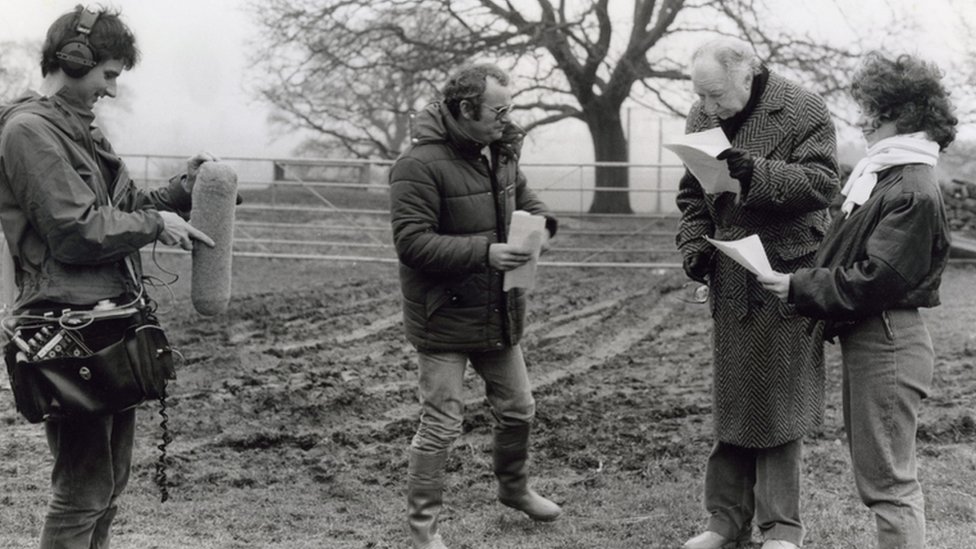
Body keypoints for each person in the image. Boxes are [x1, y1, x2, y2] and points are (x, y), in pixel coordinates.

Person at [0, 7, 215, 548]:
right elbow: (74, 229)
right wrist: (152, 225)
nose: (112, 90)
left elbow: (125, 206)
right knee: (83, 489)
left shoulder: (76, 130)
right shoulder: (29, 131)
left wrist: (184, 189)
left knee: (110, 483)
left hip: (106, 322)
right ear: (74, 60)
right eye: (109, 74)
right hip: (67, 326)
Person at [758, 52, 956, 549]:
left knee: (889, 484)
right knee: (881, 479)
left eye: (874, 111)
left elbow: (878, 279)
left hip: (887, 342)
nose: (864, 121)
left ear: (904, 116)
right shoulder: (886, 175)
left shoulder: (911, 186)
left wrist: (802, 287)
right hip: (875, 338)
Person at [674, 37, 839, 549]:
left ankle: (781, 529)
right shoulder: (701, 116)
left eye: (716, 96)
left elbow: (822, 185)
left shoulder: (803, 107)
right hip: (731, 273)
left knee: (779, 401)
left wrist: (758, 173)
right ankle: (723, 522)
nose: (706, 107)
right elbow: (691, 194)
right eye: (700, 96)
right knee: (734, 400)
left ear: (748, 76)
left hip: (785, 273)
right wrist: (693, 248)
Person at [388, 63, 561, 549]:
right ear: (466, 109)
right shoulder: (416, 166)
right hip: (442, 316)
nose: (507, 119)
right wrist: (485, 252)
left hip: (498, 309)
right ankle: (423, 528)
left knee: (519, 407)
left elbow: (528, 201)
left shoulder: (500, 151)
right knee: (442, 422)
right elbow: (412, 244)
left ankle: (515, 490)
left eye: (510, 108)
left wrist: (544, 228)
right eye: (498, 109)